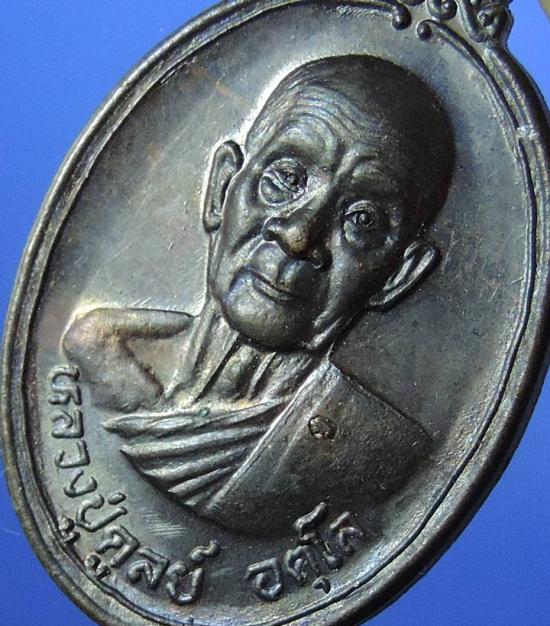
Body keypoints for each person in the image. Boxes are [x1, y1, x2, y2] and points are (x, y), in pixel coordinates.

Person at [64, 55, 455, 536]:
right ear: (221, 188)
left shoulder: (379, 458)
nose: (299, 235)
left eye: (362, 219)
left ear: (398, 274)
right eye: (287, 179)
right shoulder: (100, 353)